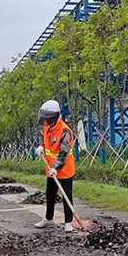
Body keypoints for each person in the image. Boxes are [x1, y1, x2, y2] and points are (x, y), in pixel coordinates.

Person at [34, 100, 75, 233]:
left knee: (66, 195)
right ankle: (48, 219)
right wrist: (41, 147)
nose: (45, 121)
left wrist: (56, 168)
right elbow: (45, 140)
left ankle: (69, 222)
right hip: (50, 169)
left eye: (48, 118)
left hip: (64, 169)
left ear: (56, 115)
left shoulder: (64, 130)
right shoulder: (47, 126)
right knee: (50, 194)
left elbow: (63, 153)